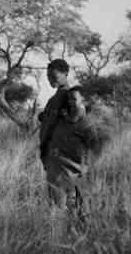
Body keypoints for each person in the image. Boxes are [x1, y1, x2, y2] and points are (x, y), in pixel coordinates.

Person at [39, 60, 98, 214]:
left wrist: (43, 146)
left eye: (54, 76)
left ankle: (63, 234)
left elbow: (64, 123)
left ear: (66, 74)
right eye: (48, 77)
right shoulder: (59, 96)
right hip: (58, 153)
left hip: (62, 153)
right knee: (69, 197)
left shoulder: (68, 96)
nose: (50, 80)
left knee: (61, 202)